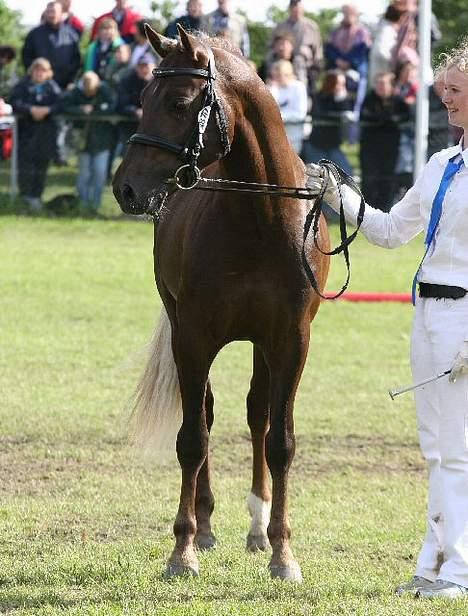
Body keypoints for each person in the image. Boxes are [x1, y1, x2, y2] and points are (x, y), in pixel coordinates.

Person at [305, 38, 468, 600]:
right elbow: (392, 231)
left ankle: (459, 572)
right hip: (427, 311)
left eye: (455, 91)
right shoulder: (442, 163)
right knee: (435, 446)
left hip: (464, 315)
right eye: (444, 90)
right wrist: (339, 195)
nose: (445, 99)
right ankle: (433, 563)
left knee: (459, 449)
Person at [9, 57, 61, 212]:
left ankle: (36, 198)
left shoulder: (52, 88)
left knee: (41, 168)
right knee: (25, 168)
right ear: (32, 71)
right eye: (37, 69)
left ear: (48, 73)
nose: (39, 73)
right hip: (26, 135)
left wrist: (47, 110)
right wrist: (30, 109)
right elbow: (14, 103)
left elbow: (61, 104)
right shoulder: (22, 86)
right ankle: (24, 199)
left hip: (45, 136)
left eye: (43, 70)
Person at [62, 71, 116, 214]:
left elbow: (113, 107)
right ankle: (83, 204)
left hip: (102, 141)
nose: (90, 93)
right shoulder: (76, 92)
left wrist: (95, 111)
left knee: (99, 174)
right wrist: (80, 110)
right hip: (83, 142)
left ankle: (95, 206)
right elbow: (64, 106)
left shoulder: (105, 91)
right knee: (84, 174)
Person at [359, 71, 410, 211]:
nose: (380, 87)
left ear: (391, 86)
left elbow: (404, 117)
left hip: (391, 148)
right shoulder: (369, 99)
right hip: (370, 148)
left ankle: (385, 210)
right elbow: (366, 118)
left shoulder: (398, 102)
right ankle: (367, 211)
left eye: (383, 84)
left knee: (388, 180)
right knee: (369, 179)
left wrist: (385, 120)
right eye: (378, 84)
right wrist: (387, 120)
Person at [302, 69, 354, 175]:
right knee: (314, 177)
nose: (341, 87)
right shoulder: (319, 97)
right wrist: (339, 114)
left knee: (347, 174)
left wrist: (341, 101)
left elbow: (347, 112)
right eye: (339, 84)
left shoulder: (341, 99)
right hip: (316, 145)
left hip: (333, 145)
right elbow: (321, 114)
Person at [22, 1, 81, 90]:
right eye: (48, 12)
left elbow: (76, 60)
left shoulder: (71, 35)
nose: (51, 15)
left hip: (64, 85)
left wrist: (70, 80)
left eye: (54, 12)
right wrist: (36, 75)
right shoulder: (34, 34)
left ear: (61, 13)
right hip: (39, 86)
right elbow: (26, 56)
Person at [270, 0, 323, 96]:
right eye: (294, 8)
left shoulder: (311, 26)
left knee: (299, 62)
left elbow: (317, 50)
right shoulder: (280, 26)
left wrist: (316, 69)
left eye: (299, 8)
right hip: (280, 62)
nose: (296, 11)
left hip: (303, 66)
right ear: (289, 9)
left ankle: (304, 98)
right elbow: (271, 47)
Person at [325, 4, 372, 106]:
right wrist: (338, 60)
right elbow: (329, 49)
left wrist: (349, 62)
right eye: (345, 13)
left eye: (350, 13)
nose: (347, 16)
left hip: (355, 68)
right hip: (336, 66)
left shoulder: (362, 32)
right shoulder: (335, 31)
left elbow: (362, 50)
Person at [267, 59, 308, 154]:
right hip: (275, 134)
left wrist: (277, 117)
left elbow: (300, 114)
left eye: (278, 76)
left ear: (287, 74)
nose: (275, 79)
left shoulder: (299, 87)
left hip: (294, 135)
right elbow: (268, 110)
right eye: (274, 76)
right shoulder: (274, 88)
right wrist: (272, 89)